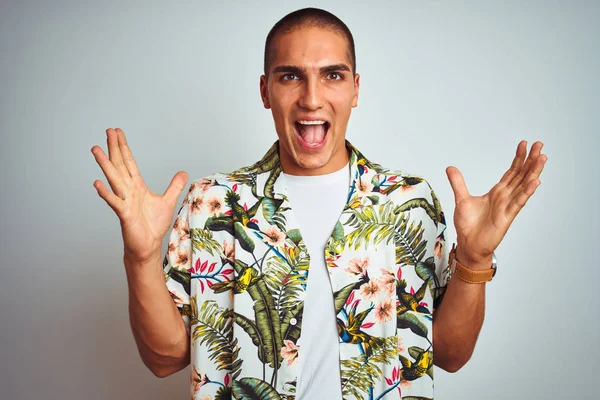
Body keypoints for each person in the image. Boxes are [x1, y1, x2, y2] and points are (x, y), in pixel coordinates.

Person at [91, 7, 547, 400]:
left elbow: (448, 355)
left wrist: (476, 257)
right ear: (266, 90)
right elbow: (165, 359)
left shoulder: (410, 202)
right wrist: (142, 256)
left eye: (332, 75)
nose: (311, 99)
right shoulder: (212, 202)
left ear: (355, 89)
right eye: (291, 76)